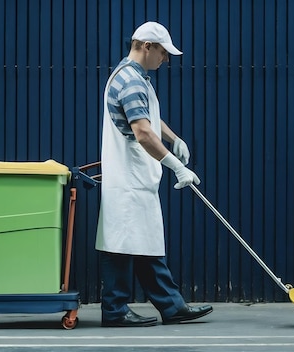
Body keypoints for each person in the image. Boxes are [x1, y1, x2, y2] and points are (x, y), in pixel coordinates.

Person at [96, 21, 213, 327]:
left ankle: (171, 306)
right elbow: (143, 132)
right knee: (121, 245)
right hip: (129, 178)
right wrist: (176, 165)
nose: (166, 59)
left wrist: (175, 139)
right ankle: (115, 310)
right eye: (163, 52)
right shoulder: (132, 81)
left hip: (136, 177)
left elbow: (148, 118)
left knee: (145, 243)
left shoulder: (134, 77)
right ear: (146, 47)